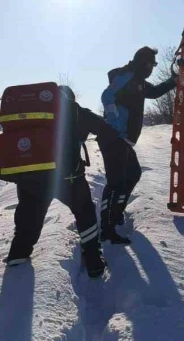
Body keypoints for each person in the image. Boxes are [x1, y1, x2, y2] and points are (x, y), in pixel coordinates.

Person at [6, 86, 119, 278]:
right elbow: (105, 130)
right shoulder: (75, 110)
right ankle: (94, 262)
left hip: (32, 177)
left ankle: (18, 253)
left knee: (29, 214)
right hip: (69, 178)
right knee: (85, 214)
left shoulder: (30, 112)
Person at [99, 46, 177, 244]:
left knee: (133, 174)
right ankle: (106, 229)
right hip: (114, 137)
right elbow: (106, 96)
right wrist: (115, 122)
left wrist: (174, 81)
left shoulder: (139, 82)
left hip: (122, 140)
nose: (152, 68)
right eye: (151, 64)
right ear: (143, 62)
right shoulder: (126, 76)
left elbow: (156, 92)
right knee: (116, 182)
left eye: (154, 64)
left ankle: (115, 214)